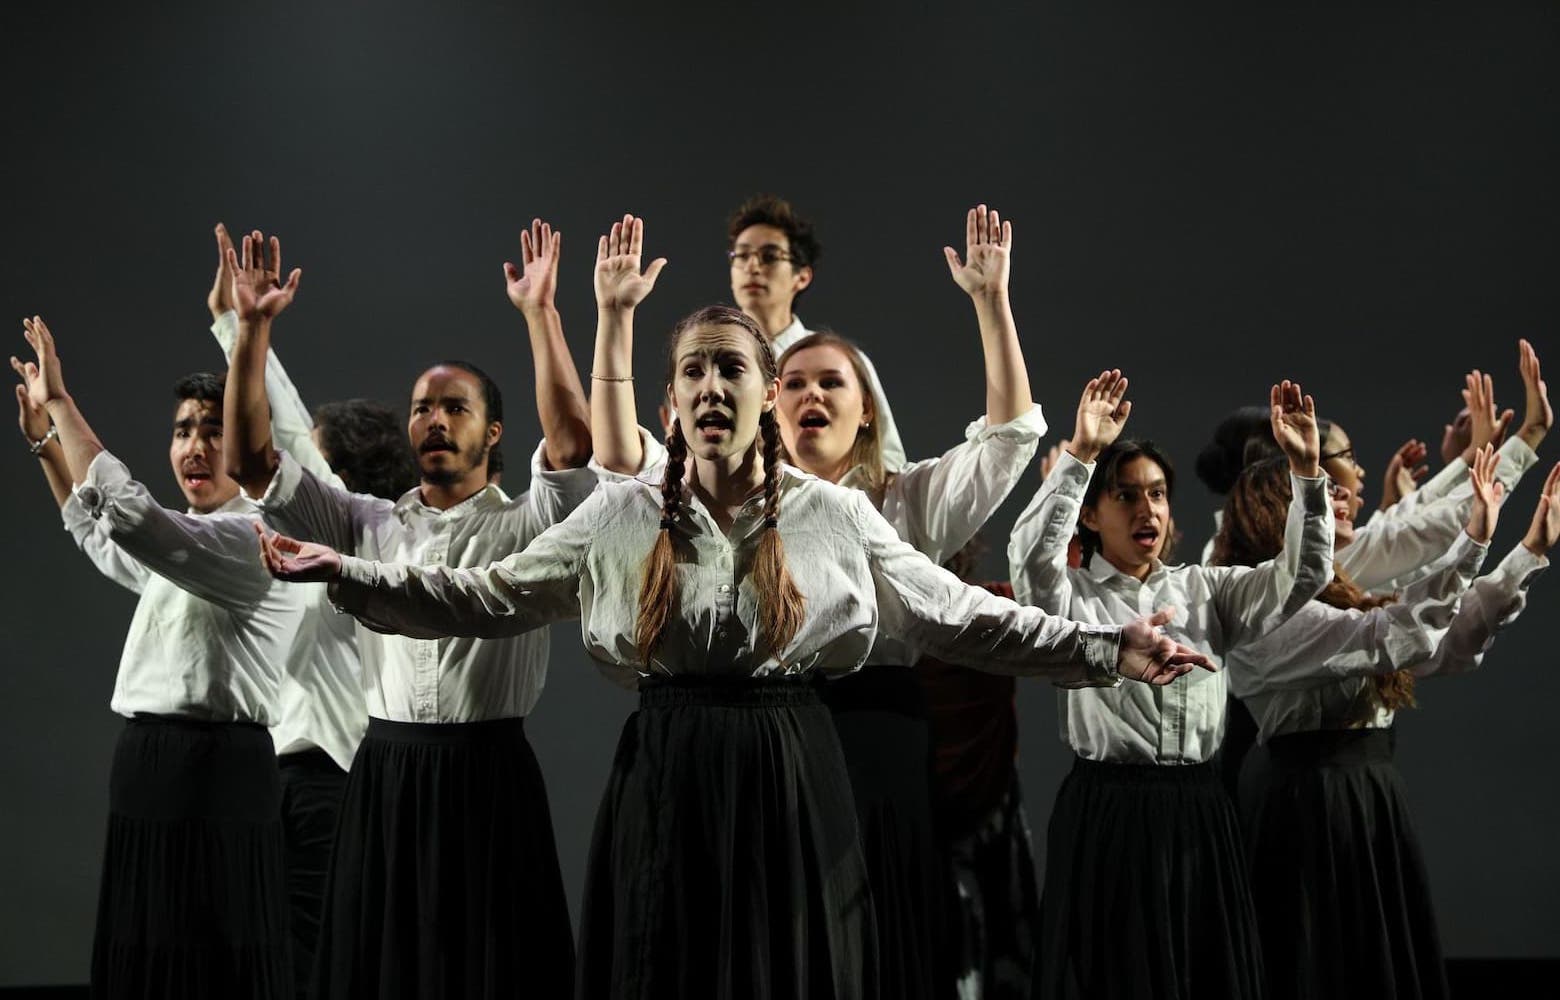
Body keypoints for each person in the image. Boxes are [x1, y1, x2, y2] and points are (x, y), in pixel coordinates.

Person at [257, 301, 1215, 1000]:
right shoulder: (620, 515)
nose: (713, 386)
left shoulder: (832, 514)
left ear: (764, 393)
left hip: (790, 767)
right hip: (667, 771)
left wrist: (1107, 647)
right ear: (670, 401)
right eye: (695, 370)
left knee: (786, 969)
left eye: (733, 369)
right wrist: (345, 571)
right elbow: (477, 598)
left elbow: (959, 613)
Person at [222, 221, 596, 998]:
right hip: (386, 771)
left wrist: (541, 316)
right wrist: (251, 331)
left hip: (490, 772)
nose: (432, 418)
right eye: (422, 407)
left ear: (492, 432)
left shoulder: (527, 521)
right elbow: (251, 463)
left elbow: (573, 447)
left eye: (454, 407)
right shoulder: (368, 522)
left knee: (492, 970)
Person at [768, 204, 1042, 999]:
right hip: (773, 730)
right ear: (770, 409)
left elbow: (1010, 438)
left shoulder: (909, 499)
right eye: (794, 383)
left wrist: (992, 303)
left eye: (831, 383)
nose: (811, 395)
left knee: (878, 926)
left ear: (865, 411)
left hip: (878, 728)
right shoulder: (745, 510)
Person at [1007, 370, 1337, 999]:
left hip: (1198, 808)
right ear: (1092, 513)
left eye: (1157, 495)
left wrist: (1307, 476)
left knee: (1199, 971)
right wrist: (1078, 455)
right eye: (1127, 496)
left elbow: (1303, 574)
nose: (1147, 510)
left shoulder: (1207, 589)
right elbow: (1029, 559)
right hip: (1109, 810)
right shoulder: (1068, 596)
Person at [13, 316, 300, 999]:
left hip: (217, 769)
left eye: (212, 429)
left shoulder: (254, 538)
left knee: (209, 951)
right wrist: (49, 447)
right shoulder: (191, 543)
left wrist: (62, 405)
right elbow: (99, 532)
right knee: (146, 942)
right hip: (151, 761)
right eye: (183, 431)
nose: (195, 446)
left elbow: (132, 516)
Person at [1213, 447, 1556, 1000]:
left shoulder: (1337, 595)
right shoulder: (1265, 615)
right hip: (1306, 798)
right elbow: (1393, 635)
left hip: (1363, 793)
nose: (1337, 506)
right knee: (1313, 955)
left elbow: (1446, 643)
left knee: (1374, 954)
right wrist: (1471, 542)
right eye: (1318, 500)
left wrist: (1528, 551)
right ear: (1283, 518)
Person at [204, 223, 416, 998]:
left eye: (318, 462)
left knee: (312, 961)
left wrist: (242, 327)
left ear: (341, 474)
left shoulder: (354, 530)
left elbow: (282, 436)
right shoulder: (369, 536)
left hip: (325, 780)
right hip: (316, 775)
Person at [727, 193, 907, 470]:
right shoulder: (711, 365)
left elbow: (888, 462)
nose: (752, 266)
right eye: (742, 255)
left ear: (802, 276)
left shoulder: (841, 361)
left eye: (769, 256)